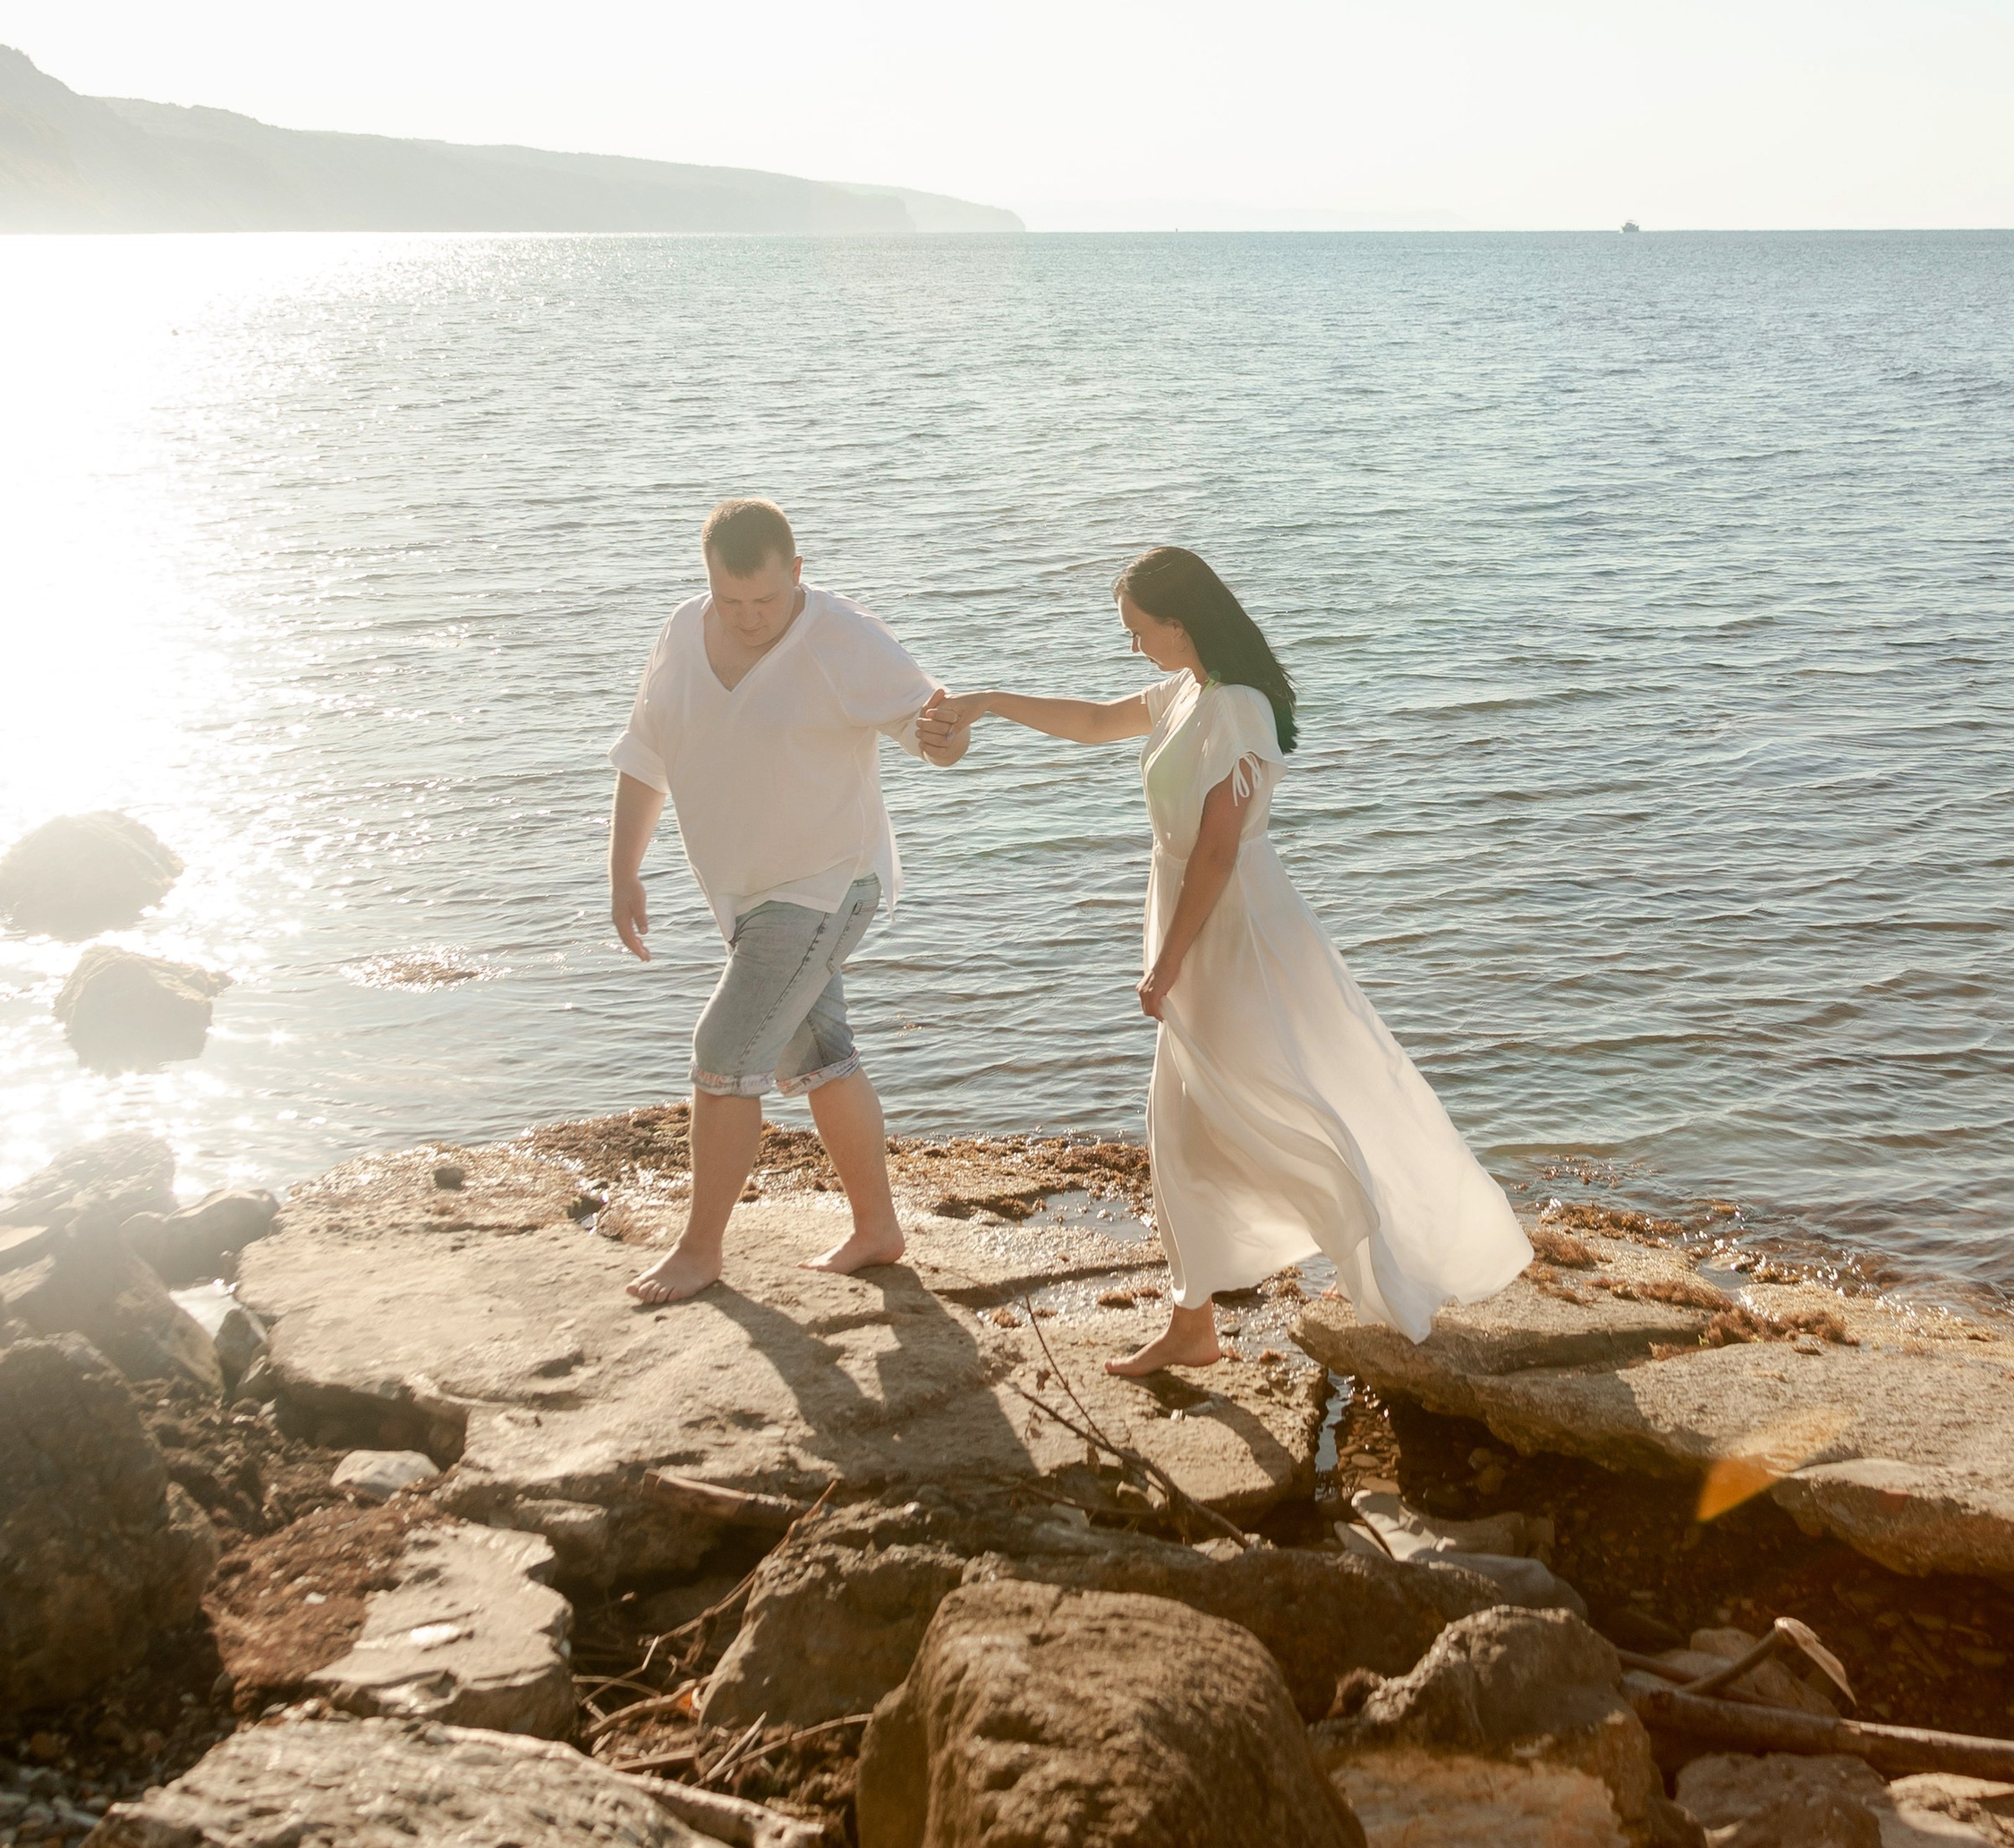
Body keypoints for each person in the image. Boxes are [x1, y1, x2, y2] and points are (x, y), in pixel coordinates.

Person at [921, 545, 1529, 1375]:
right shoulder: (1186, 693)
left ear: (1180, 623)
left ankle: (1384, 1256)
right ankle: (1195, 1319)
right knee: (1188, 1122)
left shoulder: (1237, 709)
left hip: (1230, 929)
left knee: (1268, 1109)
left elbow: (1217, 851)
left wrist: (1166, 966)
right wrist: (988, 702)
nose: (1132, 645)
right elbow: (1097, 721)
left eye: (1139, 631)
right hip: (1194, 917)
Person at [608, 496, 968, 1304]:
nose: (747, 617)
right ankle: (878, 1230)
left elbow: (932, 727)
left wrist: (950, 735)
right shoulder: (680, 633)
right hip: (743, 897)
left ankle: (700, 1251)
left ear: (796, 573)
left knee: (723, 1053)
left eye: (765, 599)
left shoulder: (841, 636)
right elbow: (644, 754)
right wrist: (623, 871)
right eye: (730, 601)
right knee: (816, 1055)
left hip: (825, 883)